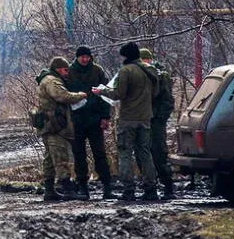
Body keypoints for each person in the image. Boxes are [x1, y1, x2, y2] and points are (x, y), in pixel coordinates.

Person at [92, 42, 159, 201]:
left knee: (125, 154)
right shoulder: (151, 70)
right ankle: (151, 189)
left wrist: (101, 91)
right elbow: (155, 93)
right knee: (145, 153)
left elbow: (118, 94)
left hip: (127, 118)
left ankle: (129, 190)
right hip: (145, 117)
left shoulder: (126, 71)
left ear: (126, 55)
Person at [35, 57, 88, 201]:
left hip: (49, 125)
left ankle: (50, 190)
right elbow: (62, 96)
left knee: (50, 159)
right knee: (60, 157)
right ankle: (67, 188)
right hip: (55, 126)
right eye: (65, 70)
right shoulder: (52, 81)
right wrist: (80, 95)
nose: (67, 73)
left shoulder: (46, 80)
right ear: (58, 69)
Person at [67, 46, 115, 200]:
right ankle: (82, 187)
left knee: (100, 153)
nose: (85, 59)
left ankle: (107, 186)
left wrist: (105, 117)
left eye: (87, 56)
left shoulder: (97, 71)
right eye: (82, 57)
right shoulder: (70, 72)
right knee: (79, 154)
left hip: (95, 119)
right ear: (77, 57)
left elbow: (106, 94)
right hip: (77, 120)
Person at [140, 48, 176, 200]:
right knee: (143, 154)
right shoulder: (140, 76)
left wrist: (159, 118)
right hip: (144, 120)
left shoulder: (161, 76)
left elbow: (168, 101)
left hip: (155, 121)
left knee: (159, 153)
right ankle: (150, 187)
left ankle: (168, 186)